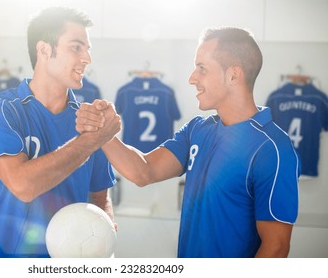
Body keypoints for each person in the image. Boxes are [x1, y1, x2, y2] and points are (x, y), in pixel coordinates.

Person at [76, 27, 300, 258]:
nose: (192, 78)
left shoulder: (273, 148)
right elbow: (144, 170)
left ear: (233, 75)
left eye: (202, 68)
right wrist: (101, 131)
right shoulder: (198, 130)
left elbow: (276, 247)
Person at [0, 7, 120, 258]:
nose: (87, 58)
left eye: (88, 49)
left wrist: (104, 235)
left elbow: (100, 197)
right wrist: (92, 140)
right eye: (76, 47)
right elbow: (22, 185)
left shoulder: (89, 120)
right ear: (44, 50)